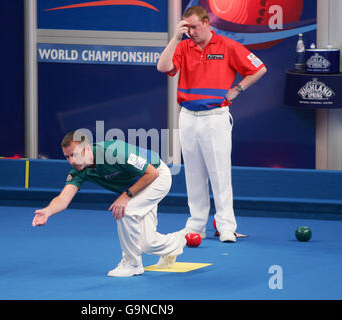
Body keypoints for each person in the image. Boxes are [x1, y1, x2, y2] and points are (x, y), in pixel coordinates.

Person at [157, 6, 267, 242]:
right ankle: (196, 225)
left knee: (220, 174)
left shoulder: (227, 45)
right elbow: (163, 67)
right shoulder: (183, 46)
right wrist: (176, 38)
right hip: (187, 116)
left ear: (207, 23)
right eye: (187, 28)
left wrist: (237, 89)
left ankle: (226, 226)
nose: (191, 32)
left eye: (195, 27)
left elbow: (259, 68)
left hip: (215, 117)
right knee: (193, 174)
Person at [31, 131, 186, 277]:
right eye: (67, 157)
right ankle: (176, 243)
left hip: (156, 177)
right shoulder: (79, 170)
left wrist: (126, 195)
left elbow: (152, 173)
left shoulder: (115, 152)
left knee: (126, 210)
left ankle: (132, 264)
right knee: (148, 243)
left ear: (86, 148)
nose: (71, 161)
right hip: (139, 187)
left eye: (74, 154)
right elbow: (63, 199)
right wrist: (48, 211)